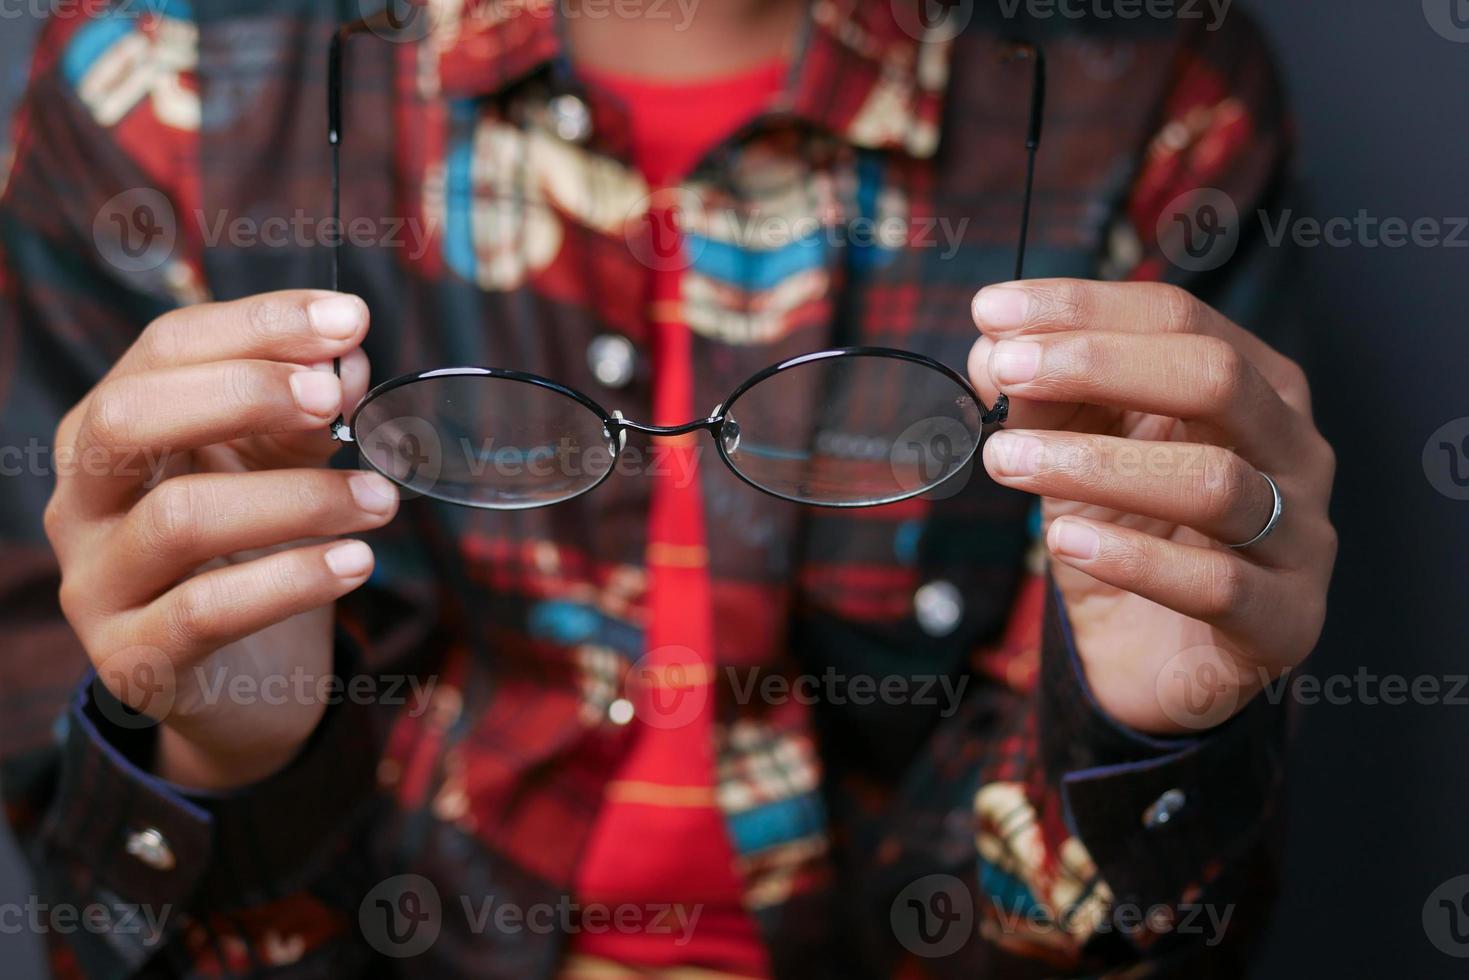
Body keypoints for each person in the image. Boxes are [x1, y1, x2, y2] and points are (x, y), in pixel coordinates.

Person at [0, 0, 1335, 976]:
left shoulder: (1142, 78)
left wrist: (1136, 740)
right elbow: (97, 889)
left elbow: (1158, 920)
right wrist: (220, 760)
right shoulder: (155, 89)